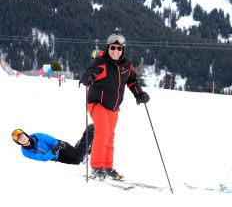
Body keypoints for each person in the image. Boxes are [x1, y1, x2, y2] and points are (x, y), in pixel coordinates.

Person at [80, 29, 150, 181]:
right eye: (113, 47)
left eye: (119, 48)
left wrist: (139, 94)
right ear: (107, 48)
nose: (116, 51)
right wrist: (88, 76)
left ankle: (107, 167)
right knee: (103, 133)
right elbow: (92, 71)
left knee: (110, 137)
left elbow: (132, 81)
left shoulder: (126, 65)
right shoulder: (101, 62)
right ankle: (97, 167)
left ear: (123, 49)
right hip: (96, 103)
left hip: (113, 107)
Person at [12, 124, 94, 165]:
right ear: (18, 143)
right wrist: (53, 152)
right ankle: (81, 146)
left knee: (78, 154)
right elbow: (41, 158)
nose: (22, 139)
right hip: (55, 156)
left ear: (25, 134)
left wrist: (56, 147)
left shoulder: (38, 136)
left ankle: (89, 131)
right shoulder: (26, 152)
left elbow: (52, 141)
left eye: (22, 136)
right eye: (19, 139)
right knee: (77, 161)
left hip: (60, 146)